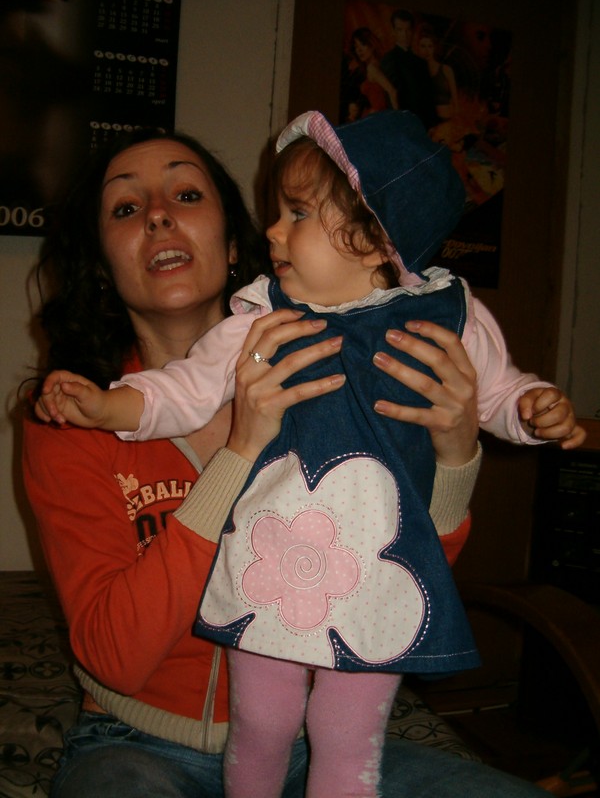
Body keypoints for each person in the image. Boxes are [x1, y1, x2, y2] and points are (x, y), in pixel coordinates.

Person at [34, 115, 584, 797]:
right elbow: (114, 656)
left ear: (232, 241)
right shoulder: (75, 413)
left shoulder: (412, 322)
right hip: (136, 743)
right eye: (125, 207)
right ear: (99, 258)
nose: (157, 216)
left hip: (318, 738)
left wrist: (462, 449)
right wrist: (231, 446)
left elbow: (399, 574)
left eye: (186, 195)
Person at [380, 9, 437, 128]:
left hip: (424, 125)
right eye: (400, 30)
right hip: (403, 124)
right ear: (393, 31)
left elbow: (429, 98)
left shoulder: (421, 63)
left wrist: (431, 125)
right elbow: (392, 96)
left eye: (408, 30)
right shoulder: (389, 59)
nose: (405, 35)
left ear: (412, 31)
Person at [349, 27, 398, 116]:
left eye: (363, 44)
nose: (359, 50)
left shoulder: (372, 68)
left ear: (371, 45)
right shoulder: (373, 66)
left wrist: (397, 117)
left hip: (378, 117)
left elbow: (392, 91)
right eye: (356, 47)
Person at [416, 26, 459, 122]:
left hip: (445, 118)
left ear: (434, 48)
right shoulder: (415, 71)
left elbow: (455, 100)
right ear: (418, 48)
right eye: (423, 46)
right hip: (423, 120)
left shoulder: (446, 70)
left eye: (430, 46)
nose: (426, 51)